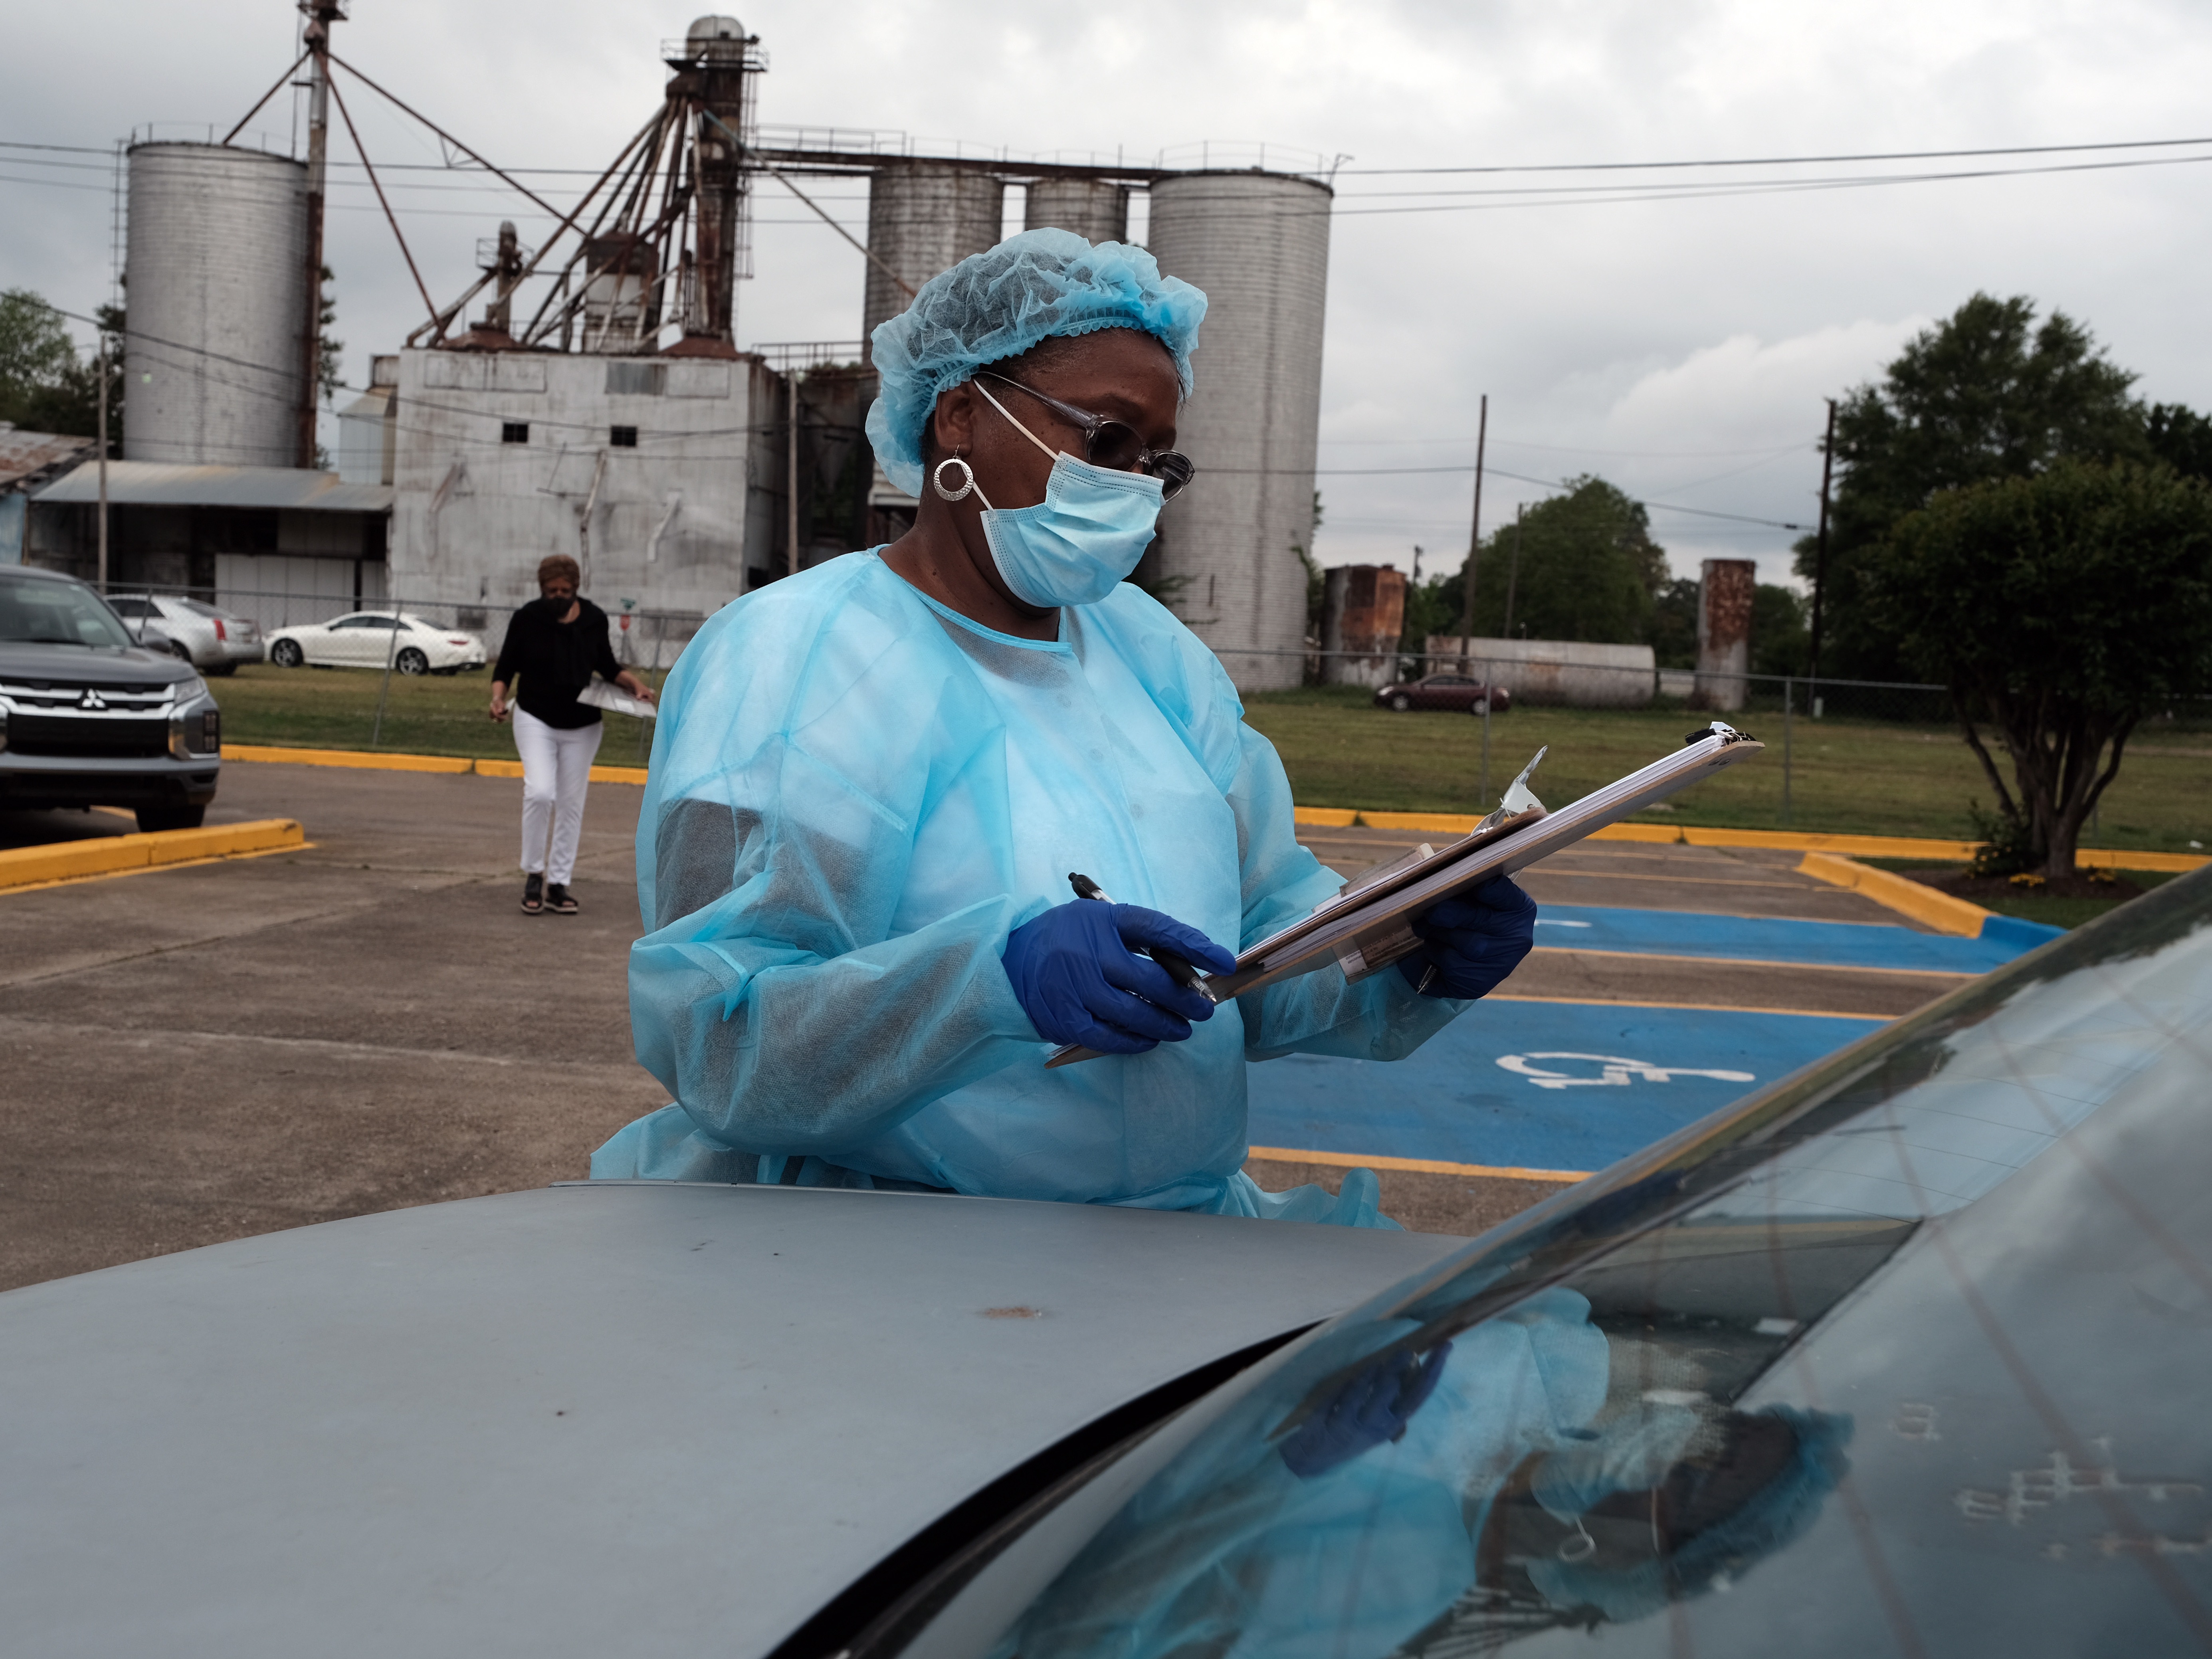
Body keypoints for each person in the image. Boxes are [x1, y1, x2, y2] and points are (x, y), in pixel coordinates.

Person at [590, 228, 1535, 1222]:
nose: (1132, 486)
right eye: (1105, 438)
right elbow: (726, 1035)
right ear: (958, 416)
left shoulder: (1155, 658)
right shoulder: (799, 656)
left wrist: (1401, 947)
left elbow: (1254, 952)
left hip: (1167, 1244)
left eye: (1157, 462)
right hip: (887, 1255)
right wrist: (987, 980)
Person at [489, 554, 656, 915]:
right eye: (552, 591)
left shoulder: (594, 619)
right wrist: (498, 699)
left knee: (570, 803)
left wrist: (637, 687)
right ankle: (534, 873)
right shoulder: (527, 619)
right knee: (540, 792)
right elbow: (505, 667)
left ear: (576, 588)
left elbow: (608, 667)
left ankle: (559, 884)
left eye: (565, 590)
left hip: (583, 725)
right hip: (535, 716)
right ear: (541, 589)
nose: (559, 596)